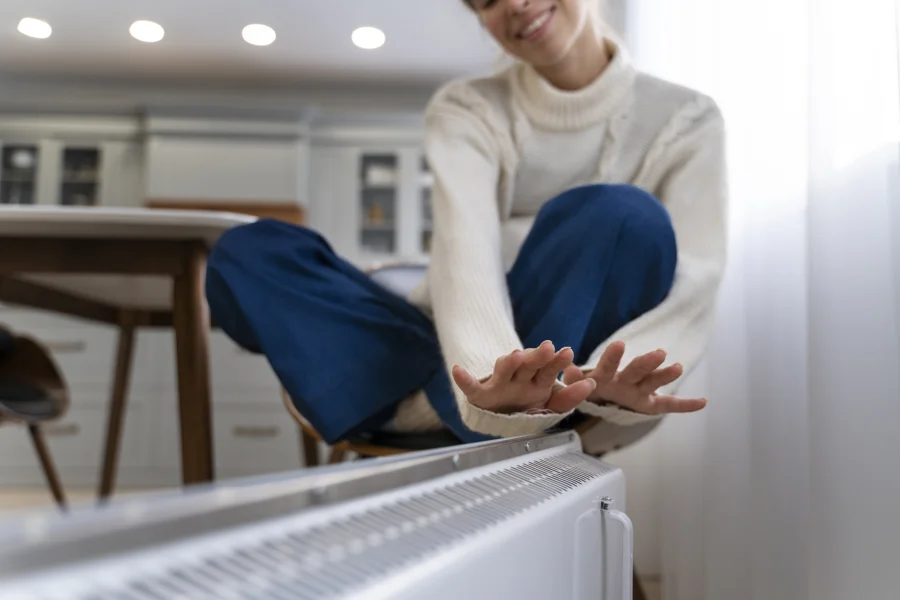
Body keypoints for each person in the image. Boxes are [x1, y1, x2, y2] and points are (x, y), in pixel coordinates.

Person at [205, 0, 727, 455]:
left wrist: (625, 371)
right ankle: (458, 401)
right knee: (250, 248)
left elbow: (695, 277)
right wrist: (482, 376)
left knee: (621, 216)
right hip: (442, 341)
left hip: (573, 372)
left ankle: (410, 403)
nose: (515, 5)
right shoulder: (467, 107)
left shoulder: (686, 119)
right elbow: (465, 248)